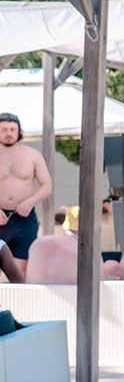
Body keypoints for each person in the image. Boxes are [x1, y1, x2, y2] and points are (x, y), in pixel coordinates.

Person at [0, 112, 53, 279]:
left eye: (12, 129)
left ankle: (20, 303)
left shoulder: (32, 155)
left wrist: (31, 202)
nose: (9, 133)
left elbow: (47, 186)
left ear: (19, 131)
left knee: (22, 268)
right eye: (4, 129)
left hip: (24, 217)